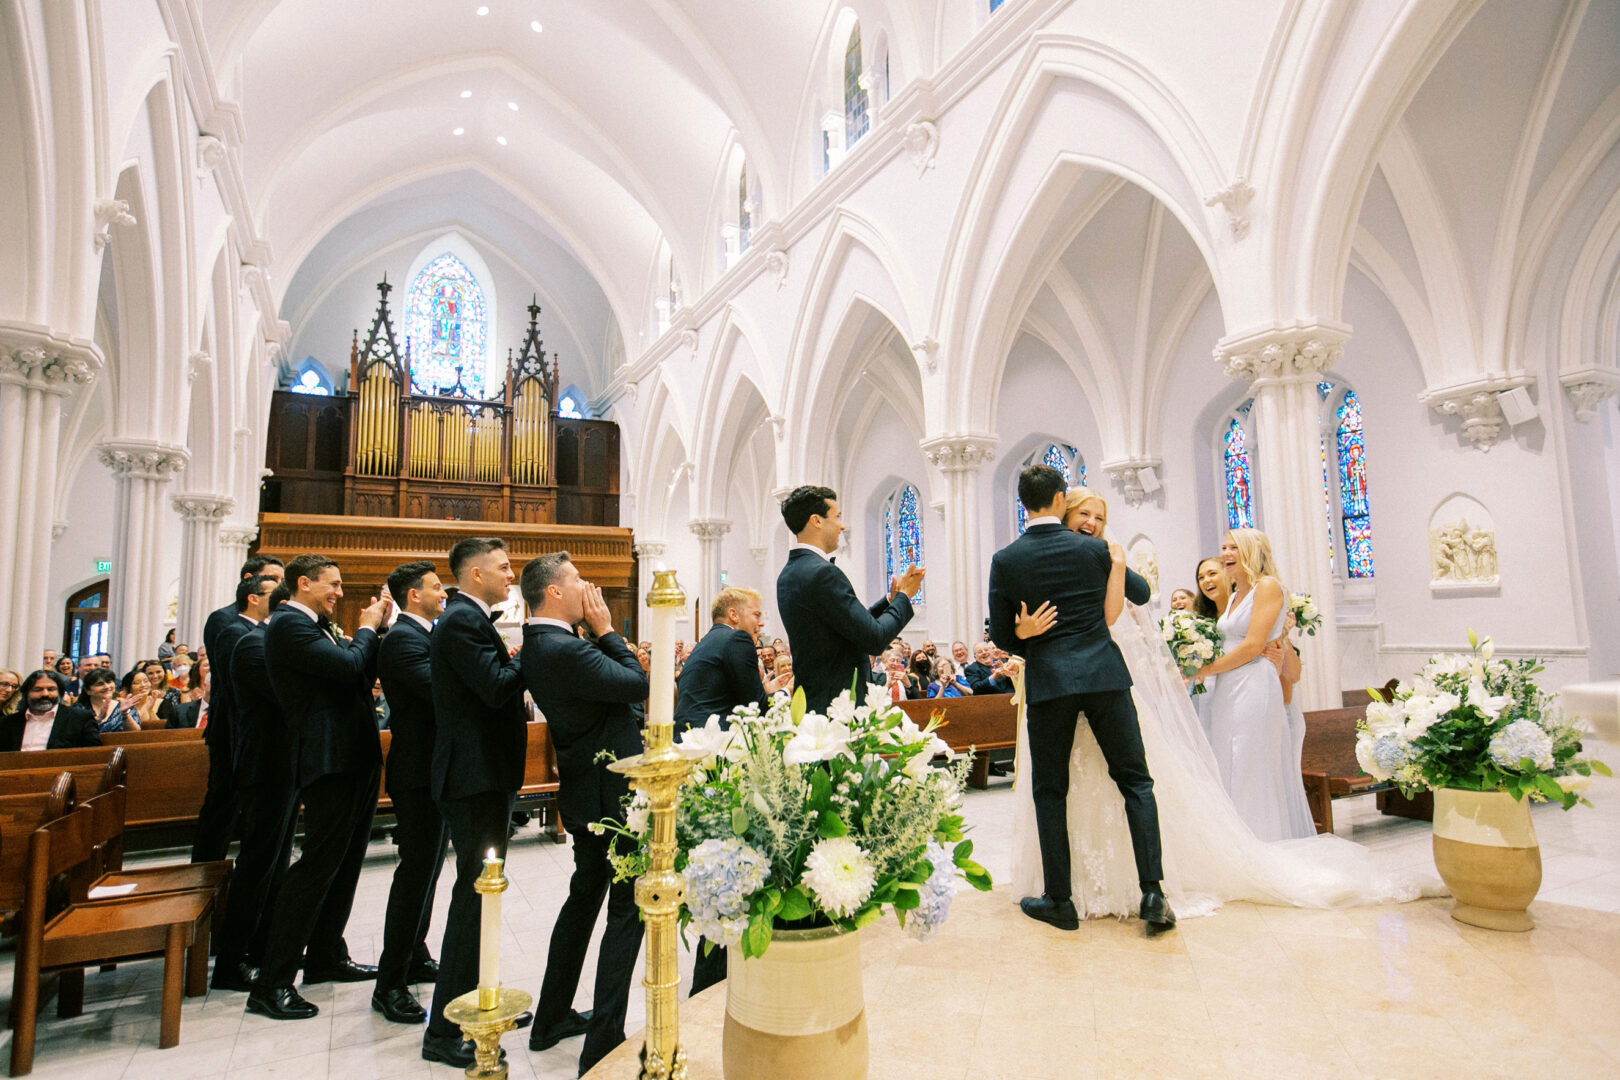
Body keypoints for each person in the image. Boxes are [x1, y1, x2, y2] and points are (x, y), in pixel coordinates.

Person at [1008, 499, 1429, 917]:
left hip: (1165, 683)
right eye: (1085, 515)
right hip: (1105, 684)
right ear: (1064, 514)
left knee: (1166, 776)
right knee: (1205, 767)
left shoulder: (1115, 558)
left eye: (1100, 517)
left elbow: (1145, 599)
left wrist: (1117, 562)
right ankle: (1082, 880)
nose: (1093, 523)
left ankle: (1211, 861)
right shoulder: (1231, 598)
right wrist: (1020, 634)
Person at [989, 468, 1169, 936]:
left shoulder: (1006, 559)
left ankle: (1060, 901)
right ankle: (1153, 892)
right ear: (1059, 498)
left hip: (1050, 682)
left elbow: (1003, 634)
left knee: (1050, 791)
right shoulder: (1094, 549)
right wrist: (1115, 556)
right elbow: (1143, 594)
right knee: (1135, 781)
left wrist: (1025, 635)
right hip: (1104, 676)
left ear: (1022, 502)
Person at [248, 554, 390, 1022]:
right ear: (303, 583)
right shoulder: (289, 625)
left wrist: (373, 635)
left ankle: (327, 954)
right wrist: (368, 628)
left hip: (352, 753)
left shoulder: (314, 624)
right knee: (317, 865)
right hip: (329, 757)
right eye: (332, 584)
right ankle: (272, 982)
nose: (340, 593)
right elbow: (351, 670)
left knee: (346, 862)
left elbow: (359, 673)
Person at [521, 552, 648, 1074]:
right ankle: (603, 1042)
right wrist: (606, 629)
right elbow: (637, 683)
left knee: (583, 901)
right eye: (576, 580)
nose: (587, 586)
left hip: (586, 790)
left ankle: (550, 1018)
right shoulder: (562, 646)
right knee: (628, 910)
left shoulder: (543, 642)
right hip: (609, 797)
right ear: (553, 591)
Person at [424, 538, 531, 1068]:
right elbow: (494, 689)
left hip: (480, 774)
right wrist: (532, 645)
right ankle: (446, 1031)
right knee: (473, 902)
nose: (511, 574)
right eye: (503, 566)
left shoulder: (468, 616)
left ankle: (477, 1002)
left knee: (480, 899)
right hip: (474, 777)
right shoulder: (463, 620)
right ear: (473, 573)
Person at [1186, 529, 1307, 842]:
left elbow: (1254, 645)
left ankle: (1264, 844)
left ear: (1251, 551)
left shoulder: (1267, 587)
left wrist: (1203, 670)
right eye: (1223, 547)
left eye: (1233, 548)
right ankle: (1239, 844)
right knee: (1229, 761)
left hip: (1253, 683)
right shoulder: (1236, 592)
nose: (1226, 553)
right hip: (1229, 685)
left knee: (1250, 763)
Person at [212, 583, 301, 994]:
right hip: (263, 767)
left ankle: (261, 948)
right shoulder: (252, 645)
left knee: (275, 865)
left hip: (283, 767)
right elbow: (290, 697)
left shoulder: (268, 642)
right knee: (256, 866)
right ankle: (231, 962)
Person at [373, 561, 451, 1025]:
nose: (444, 593)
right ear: (412, 596)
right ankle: (390, 983)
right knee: (415, 873)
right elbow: (434, 689)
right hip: (415, 769)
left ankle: (416, 953)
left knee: (428, 869)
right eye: (436, 587)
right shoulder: (404, 639)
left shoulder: (422, 635)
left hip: (430, 767)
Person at [776, 485, 922, 713]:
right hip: (839, 702)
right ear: (817, 521)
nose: (842, 525)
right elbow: (874, 638)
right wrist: (905, 596)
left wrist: (890, 600)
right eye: (837, 517)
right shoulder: (822, 573)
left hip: (816, 698)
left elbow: (848, 626)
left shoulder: (789, 573)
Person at [194, 556, 286, 863]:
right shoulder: (226, 621)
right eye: (273, 579)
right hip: (232, 724)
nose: (281, 586)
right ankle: (206, 872)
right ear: (250, 581)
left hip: (254, 727)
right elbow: (234, 677)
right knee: (223, 803)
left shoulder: (268, 621)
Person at [674, 586, 789, 733]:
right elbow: (756, 708)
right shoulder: (737, 639)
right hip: (714, 741)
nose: (761, 623)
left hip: (689, 735)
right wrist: (787, 692)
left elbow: (721, 695)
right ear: (733, 615)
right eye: (756, 615)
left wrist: (765, 691)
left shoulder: (705, 643)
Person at [0, 670, 101, 750]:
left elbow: (93, 756)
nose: (45, 694)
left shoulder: (79, 719)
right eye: (37, 689)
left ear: (60, 693)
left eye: (51, 689)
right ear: (27, 694)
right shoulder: (8, 723)